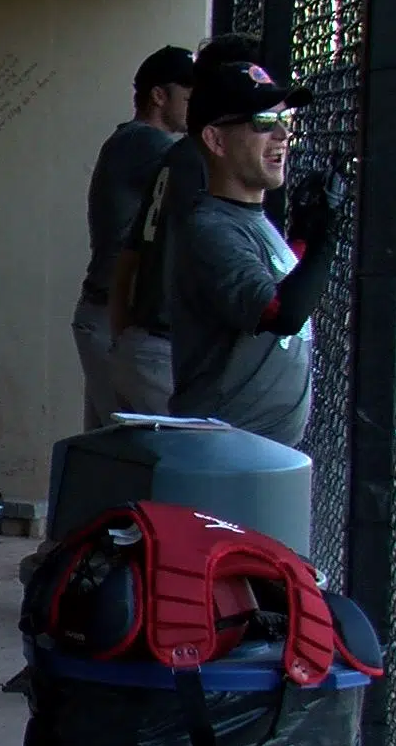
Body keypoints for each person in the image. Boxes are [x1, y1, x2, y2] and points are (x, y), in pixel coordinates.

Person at [169, 60, 342, 447]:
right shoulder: (212, 229)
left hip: (253, 454)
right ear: (216, 140)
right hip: (224, 453)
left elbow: (285, 280)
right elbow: (282, 312)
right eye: (263, 122)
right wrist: (328, 233)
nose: (281, 134)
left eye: (284, 120)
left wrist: (304, 231)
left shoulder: (249, 220)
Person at [108, 33, 265, 414]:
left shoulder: (179, 152)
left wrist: (123, 336)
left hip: (145, 339)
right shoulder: (188, 155)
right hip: (165, 344)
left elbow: (128, 255)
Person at [71, 44, 193, 430]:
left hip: (105, 317)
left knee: (108, 451)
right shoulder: (146, 143)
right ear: (159, 95)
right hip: (112, 320)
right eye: (190, 97)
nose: (197, 106)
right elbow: (205, 171)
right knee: (140, 451)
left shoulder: (132, 142)